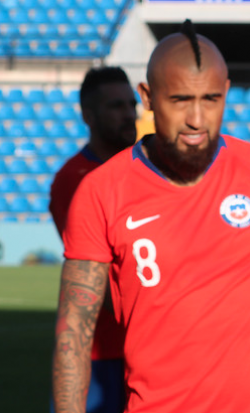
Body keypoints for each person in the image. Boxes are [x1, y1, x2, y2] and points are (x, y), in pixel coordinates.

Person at [52, 21, 250, 413]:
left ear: (226, 93)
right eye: (179, 100)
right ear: (148, 97)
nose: (196, 119)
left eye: (210, 99)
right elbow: (75, 326)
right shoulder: (100, 191)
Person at [48, 66, 137, 413]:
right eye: (116, 106)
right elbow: (102, 267)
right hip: (99, 353)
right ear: (89, 114)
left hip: (147, 348)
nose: (129, 114)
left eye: (132, 105)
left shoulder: (147, 170)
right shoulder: (74, 179)